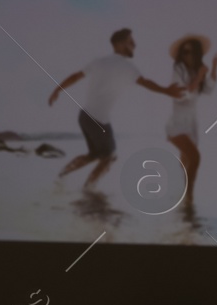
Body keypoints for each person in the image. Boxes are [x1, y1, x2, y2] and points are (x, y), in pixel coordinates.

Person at [50, 27, 184, 191]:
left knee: (95, 155)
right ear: (120, 44)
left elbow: (75, 77)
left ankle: (61, 177)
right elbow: (145, 82)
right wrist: (166, 90)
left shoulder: (98, 61)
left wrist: (57, 90)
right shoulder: (127, 67)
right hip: (98, 119)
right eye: (130, 42)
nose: (134, 45)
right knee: (110, 157)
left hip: (85, 116)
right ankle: (89, 190)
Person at [164, 34, 217, 211]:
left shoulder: (197, 70)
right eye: (183, 53)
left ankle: (179, 203)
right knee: (195, 157)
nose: (186, 56)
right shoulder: (178, 70)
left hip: (191, 125)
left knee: (186, 164)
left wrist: (214, 66)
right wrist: (199, 75)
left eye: (189, 52)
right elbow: (184, 95)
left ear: (196, 53)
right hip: (176, 125)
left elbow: (209, 89)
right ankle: (188, 198)